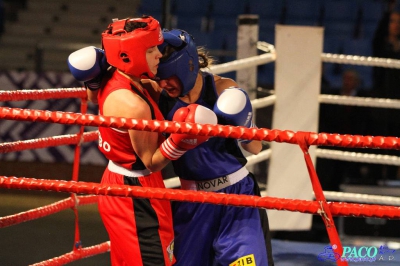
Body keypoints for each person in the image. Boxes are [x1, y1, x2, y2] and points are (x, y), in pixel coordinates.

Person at [67, 16, 217, 266]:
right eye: (151, 50)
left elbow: (94, 96)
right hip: (135, 192)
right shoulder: (132, 106)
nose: (159, 54)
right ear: (131, 55)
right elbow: (152, 161)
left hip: (130, 185)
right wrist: (182, 141)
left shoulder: (117, 76)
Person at [156, 29, 274, 266]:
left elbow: (255, 147)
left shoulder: (222, 89)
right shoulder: (160, 97)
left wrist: (244, 122)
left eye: (168, 76)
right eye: (159, 76)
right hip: (193, 201)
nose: (163, 83)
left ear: (186, 67)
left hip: (237, 197)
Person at [370, 1, 400, 182]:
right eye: (392, 21)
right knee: (377, 140)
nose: (395, 25)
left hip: (397, 102)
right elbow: (378, 36)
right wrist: (387, 11)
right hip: (380, 100)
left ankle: (391, 177)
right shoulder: (380, 45)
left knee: (395, 141)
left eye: (398, 22)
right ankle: (374, 176)